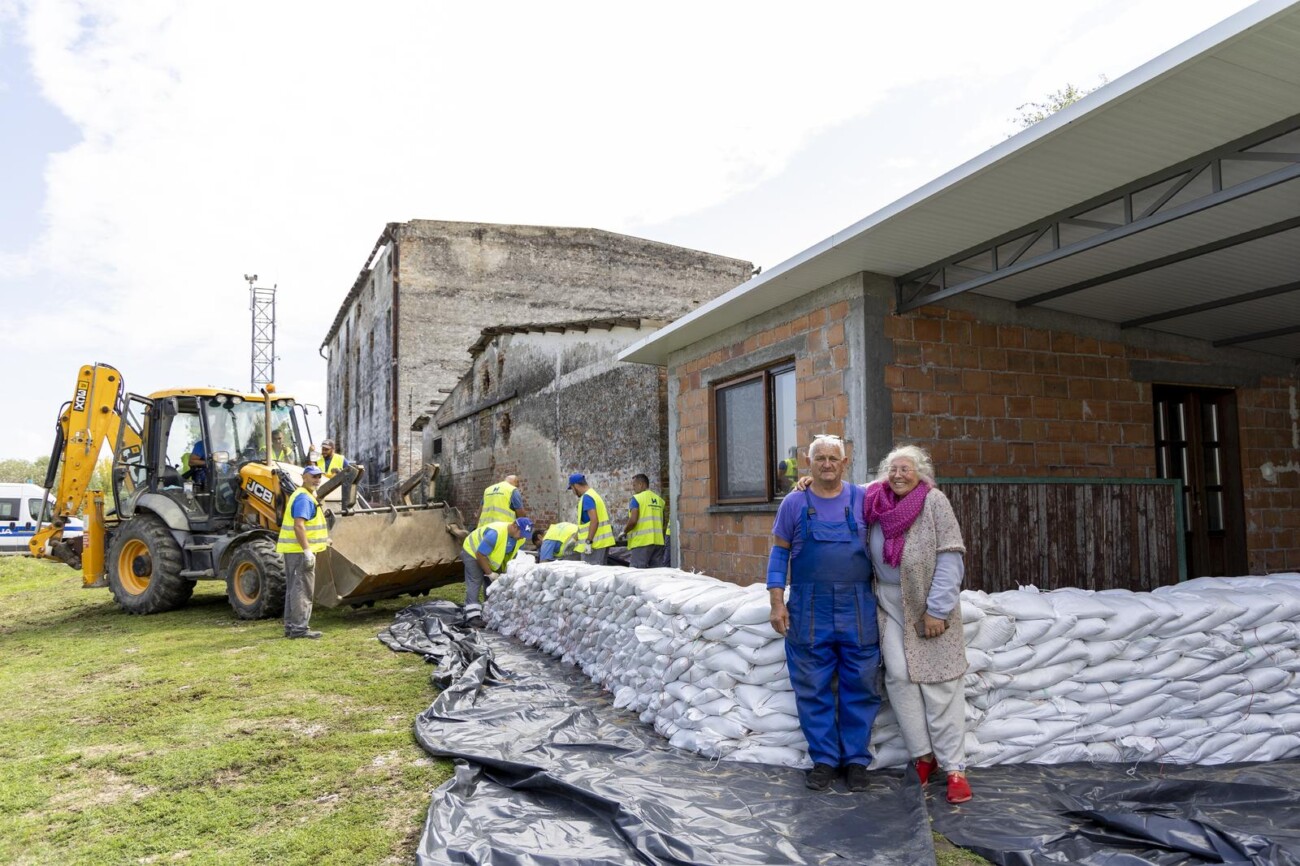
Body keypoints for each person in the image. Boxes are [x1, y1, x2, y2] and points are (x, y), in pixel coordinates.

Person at [768, 434, 881, 792]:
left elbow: (903, 489)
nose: (827, 464)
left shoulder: (864, 499)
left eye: (835, 458)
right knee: (812, 685)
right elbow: (779, 554)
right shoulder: (794, 502)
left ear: (845, 463)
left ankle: (856, 761)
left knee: (860, 683)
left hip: (858, 605)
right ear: (809, 462)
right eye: (821, 459)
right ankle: (825, 760)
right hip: (809, 606)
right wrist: (776, 601)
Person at [864, 445, 972, 804]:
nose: (898, 475)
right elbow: (834, 491)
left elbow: (950, 555)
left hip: (928, 605)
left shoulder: (934, 502)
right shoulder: (875, 502)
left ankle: (954, 767)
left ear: (921, 472)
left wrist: (938, 610)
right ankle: (923, 756)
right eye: (892, 468)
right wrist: (804, 484)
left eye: (906, 469)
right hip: (890, 602)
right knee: (898, 674)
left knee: (939, 682)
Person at [276, 464, 329, 639]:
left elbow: (309, 526)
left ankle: (292, 627)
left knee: (294, 588)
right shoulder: (304, 498)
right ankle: (299, 629)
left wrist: (323, 539)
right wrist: (307, 551)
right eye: (313, 476)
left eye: (318, 476)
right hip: (299, 551)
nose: (317, 479)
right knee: (302, 589)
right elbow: (299, 526)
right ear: (303, 477)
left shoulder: (304, 496)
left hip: (294, 550)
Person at [460, 516, 533, 628]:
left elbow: (508, 555)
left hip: (487, 556)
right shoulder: (495, 534)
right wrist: (489, 573)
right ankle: (472, 617)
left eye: (524, 535)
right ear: (514, 526)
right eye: (521, 533)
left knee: (491, 584)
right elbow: (479, 554)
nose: (522, 537)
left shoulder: (519, 539)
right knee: (476, 580)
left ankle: (487, 612)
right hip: (472, 552)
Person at [567, 473, 615, 565]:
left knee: (590, 575)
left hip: (594, 545)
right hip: (601, 543)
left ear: (576, 485)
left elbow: (594, 520)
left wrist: (589, 541)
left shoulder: (587, 498)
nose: (573, 491)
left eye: (572, 488)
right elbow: (586, 523)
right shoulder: (594, 494)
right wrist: (574, 539)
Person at [623, 473, 666, 568]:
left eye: (634, 485)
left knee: (637, 573)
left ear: (641, 484)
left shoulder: (636, 499)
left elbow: (633, 520)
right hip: (658, 542)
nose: (633, 488)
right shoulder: (659, 500)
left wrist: (625, 531)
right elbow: (663, 521)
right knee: (656, 573)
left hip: (642, 542)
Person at [315, 439, 365, 512]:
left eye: (326, 450)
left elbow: (350, 472)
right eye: (323, 449)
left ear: (333, 449)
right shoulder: (318, 459)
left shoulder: (341, 459)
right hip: (321, 491)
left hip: (336, 492)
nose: (324, 451)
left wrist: (341, 472)